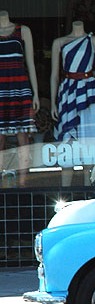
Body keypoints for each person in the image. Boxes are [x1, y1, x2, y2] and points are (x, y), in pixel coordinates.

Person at [50, 20, 95, 185]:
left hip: (89, 93)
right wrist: (54, 103)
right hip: (67, 92)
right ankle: (64, 193)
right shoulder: (59, 43)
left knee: (89, 145)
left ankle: (88, 192)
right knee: (67, 143)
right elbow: (54, 75)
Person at [0, 10, 39, 187]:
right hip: (1, 89)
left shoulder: (23, 30)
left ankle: (23, 183)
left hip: (20, 86)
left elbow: (30, 63)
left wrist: (36, 93)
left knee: (22, 135)